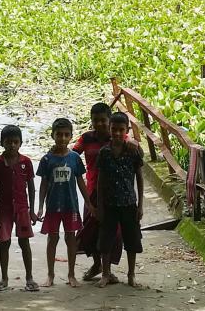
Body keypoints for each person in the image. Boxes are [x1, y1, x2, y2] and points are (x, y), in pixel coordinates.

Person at [37, 118, 94, 288]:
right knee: (52, 239)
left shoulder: (75, 158)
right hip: (53, 206)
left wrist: (89, 203)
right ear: (53, 135)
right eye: (59, 134)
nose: (62, 138)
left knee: (71, 238)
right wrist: (40, 206)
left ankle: (71, 274)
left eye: (66, 135)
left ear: (70, 137)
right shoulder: (47, 159)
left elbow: (81, 182)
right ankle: (50, 275)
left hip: (71, 206)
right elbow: (43, 185)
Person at [74, 102, 123, 281]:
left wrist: (132, 142)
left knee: (111, 232)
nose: (100, 124)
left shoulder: (118, 138)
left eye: (103, 120)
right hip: (92, 191)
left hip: (114, 192)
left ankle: (107, 270)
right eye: (96, 120)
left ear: (109, 120)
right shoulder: (86, 138)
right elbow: (73, 154)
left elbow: (133, 149)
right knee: (91, 230)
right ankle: (97, 264)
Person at [0, 125, 39, 292]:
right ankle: (4, 278)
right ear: (2, 143)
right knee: (5, 242)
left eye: (15, 142)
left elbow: (31, 187)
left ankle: (30, 277)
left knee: (24, 242)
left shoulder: (26, 162)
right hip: (4, 209)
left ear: (21, 143)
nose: (12, 145)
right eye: (8, 142)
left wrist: (32, 210)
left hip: (22, 208)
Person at [96, 112, 144, 288]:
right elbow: (100, 181)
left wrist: (140, 205)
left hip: (129, 203)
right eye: (114, 129)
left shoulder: (133, 151)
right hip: (109, 204)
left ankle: (131, 274)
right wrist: (99, 205)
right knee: (106, 241)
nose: (117, 133)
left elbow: (139, 177)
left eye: (120, 130)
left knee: (132, 240)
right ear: (109, 129)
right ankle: (106, 274)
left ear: (127, 130)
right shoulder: (105, 153)